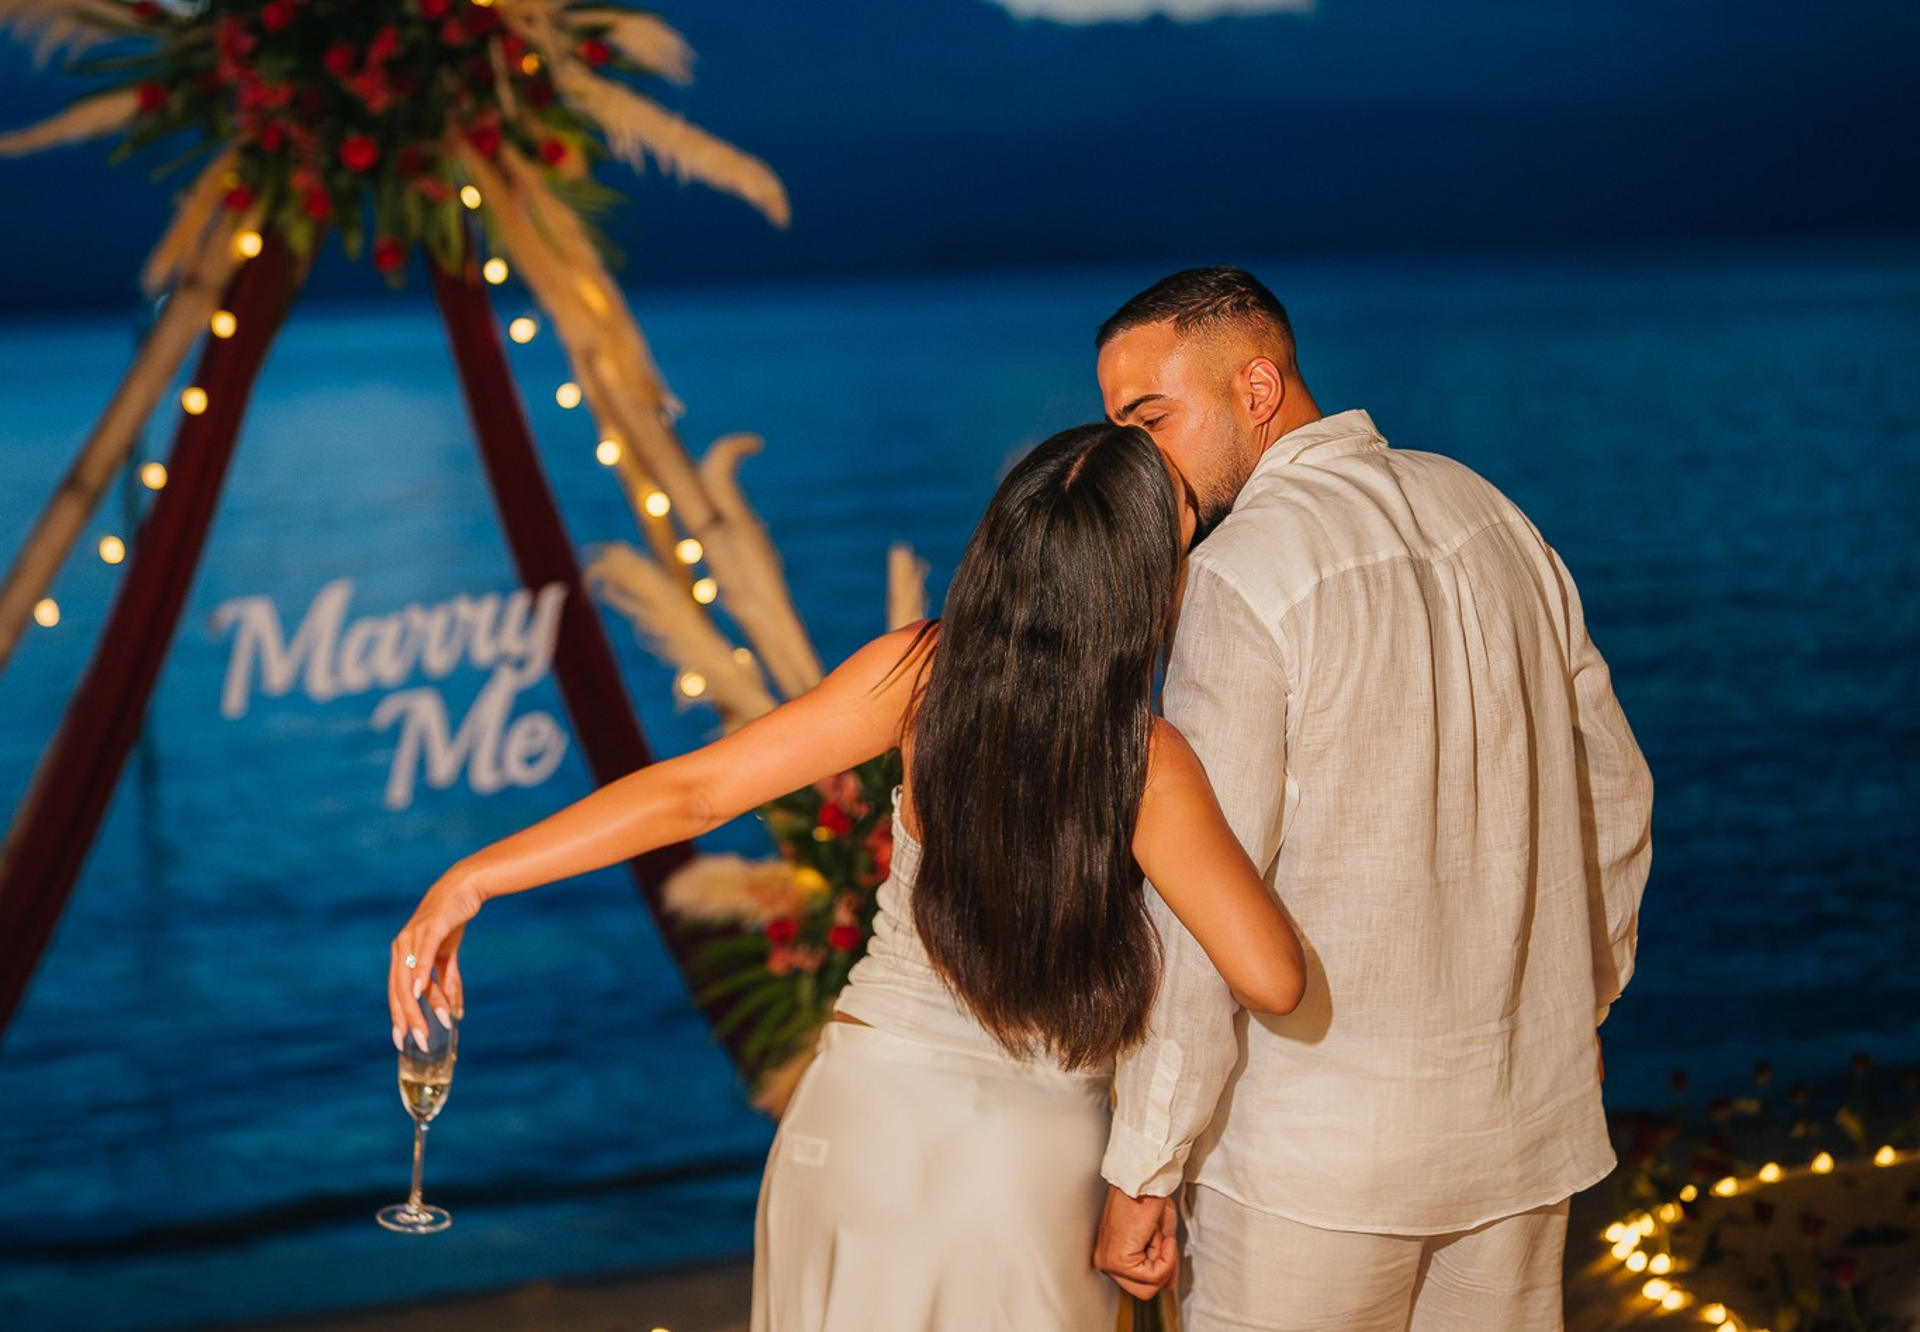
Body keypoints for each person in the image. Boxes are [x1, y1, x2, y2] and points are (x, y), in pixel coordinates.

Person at [389, 422, 1304, 1330]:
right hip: (1025, 1161)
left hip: (856, 1119)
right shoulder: (1148, 763)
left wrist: (473, 878)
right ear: (1145, 577)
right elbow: (1271, 976)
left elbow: (696, 793)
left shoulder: (917, 674)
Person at [1089, 266, 1655, 1331]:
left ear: (1257, 389)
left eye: (1149, 417)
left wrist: (1144, 1162)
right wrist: (1581, 1000)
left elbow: (1203, 899)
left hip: (1318, 1160)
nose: (1131, 457)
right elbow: (1614, 791)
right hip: (1518, 1129)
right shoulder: (1488, 510)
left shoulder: (1241, 571)